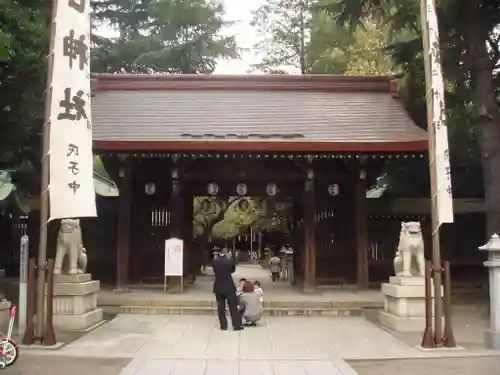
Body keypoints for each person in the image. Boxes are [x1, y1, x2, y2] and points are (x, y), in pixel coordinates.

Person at [212, 249, 243, 331]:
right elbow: (232, 270)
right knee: (233, 307)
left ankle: (223, 325)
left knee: (221, 308)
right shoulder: (229, 261)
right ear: (226, 254)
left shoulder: (215, 261)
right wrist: (231, 259)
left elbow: (215, 271)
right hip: (229, 286)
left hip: (218, 287)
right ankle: (236, 325)